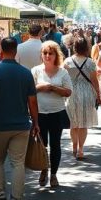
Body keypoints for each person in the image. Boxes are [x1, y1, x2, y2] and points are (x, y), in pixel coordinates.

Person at [0, 37, 38, 200]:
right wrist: (36, 122)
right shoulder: (25, 73)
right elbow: (32, 102)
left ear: (1, 51)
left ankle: (0, 199)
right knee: (17, 163)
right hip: (21, 125)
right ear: (16, 51)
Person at [32, 41, 73, 188]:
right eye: (45, 53)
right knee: (42, 145)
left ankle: (54, 174)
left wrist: (53, 88)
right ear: (41, 55)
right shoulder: (36, 71)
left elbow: (68, 92)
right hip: (40, 113)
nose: (48, 56)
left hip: (57, 113)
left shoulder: (63, 72)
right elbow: (29, 91)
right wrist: (40, 87)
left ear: (56, 55)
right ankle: (43, 170)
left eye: (51, 53)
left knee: (55, 144)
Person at [64, 37, 101, 160]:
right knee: (83, 124)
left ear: (74, 47)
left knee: (73, 123)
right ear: (86, 47)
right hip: (86, 93)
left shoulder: (67, 62)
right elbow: (94, 81)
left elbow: (64, 79)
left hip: (72, 92)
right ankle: (81, 150)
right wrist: (98, 95)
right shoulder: (90, 62)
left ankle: (74, 146)